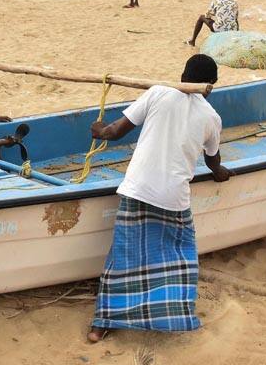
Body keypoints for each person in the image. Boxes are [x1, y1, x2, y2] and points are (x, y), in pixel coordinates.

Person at [86, 55, 230, 342]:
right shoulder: (212, 117)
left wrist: (97, 128)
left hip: (138, 187)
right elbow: (213, 161)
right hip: (174, 197)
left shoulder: (158, 92)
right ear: (211, 85)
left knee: (124, 256)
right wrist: (220, 173)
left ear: (181, 73)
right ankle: (173, 316)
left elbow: (113, 133)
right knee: (178, 258)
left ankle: (101, 325)